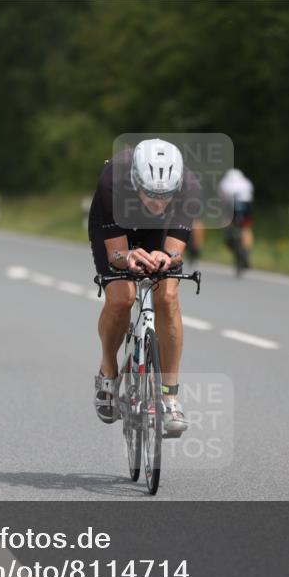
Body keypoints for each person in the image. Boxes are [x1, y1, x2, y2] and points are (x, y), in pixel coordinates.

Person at [90, 138, 201, 434]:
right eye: (151, 195)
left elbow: (175, 250)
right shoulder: (113, 179)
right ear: (135, 181)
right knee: (121, 298)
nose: (158, 203)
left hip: (158, 232)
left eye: (165, 197)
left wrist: (166, 257)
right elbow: (115, 254)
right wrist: (127, 257)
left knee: (167, 296)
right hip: (117, 229)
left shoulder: (188, 186)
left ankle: (170, 397)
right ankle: (108, 371)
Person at [219, 168, 255, 273]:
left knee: (226, 220)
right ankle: (246, 251)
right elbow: (251, 195)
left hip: (231, 205)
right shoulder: (246, 182)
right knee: (246, 228)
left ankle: (229, 236)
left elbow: (222, 199)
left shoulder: (224, 183)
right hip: (246, 205)